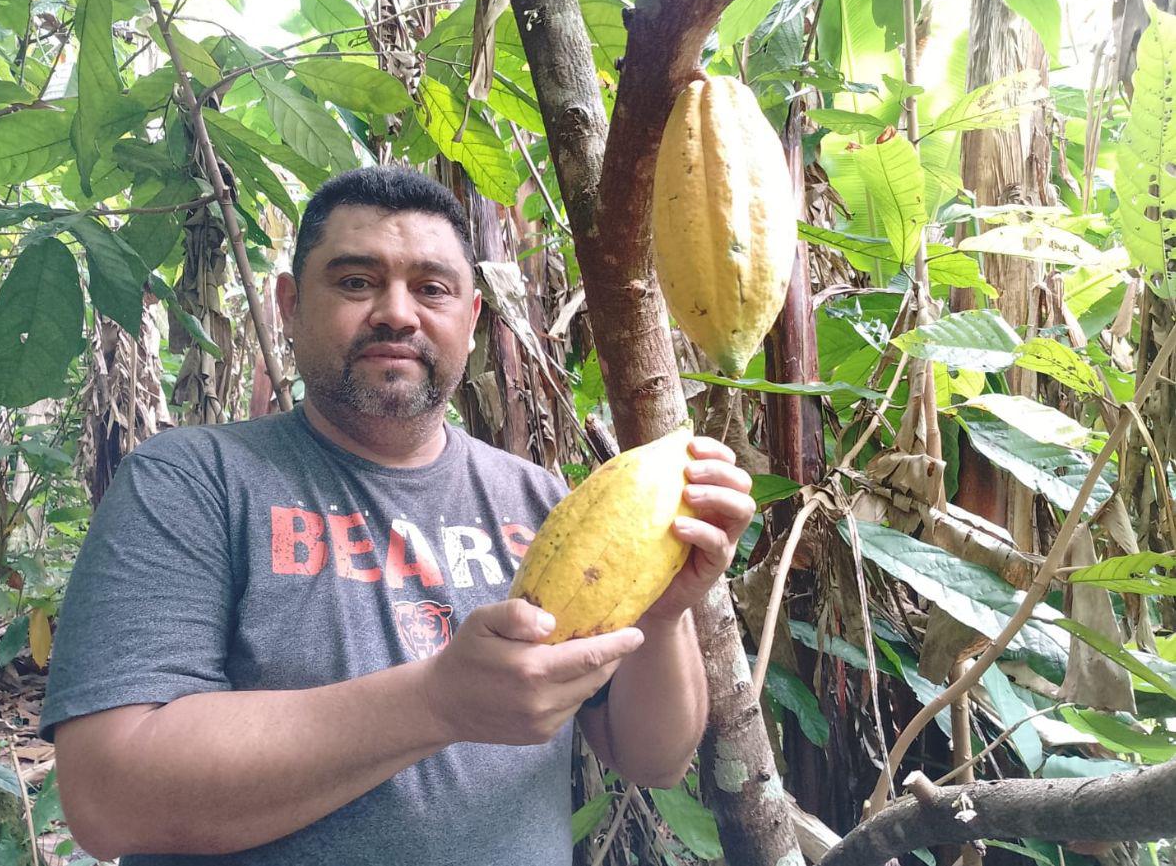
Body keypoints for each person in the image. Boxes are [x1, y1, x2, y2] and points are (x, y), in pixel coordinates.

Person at [40, 166, 756, 865]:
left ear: (472, 319)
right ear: (288, 305)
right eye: (355, 281)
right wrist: (438, 702)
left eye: (432, 288)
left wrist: (662, 617)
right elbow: (108, 794)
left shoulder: (542, 500)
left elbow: (652, 758)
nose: (397, 312)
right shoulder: (192, 480)